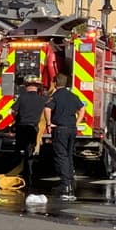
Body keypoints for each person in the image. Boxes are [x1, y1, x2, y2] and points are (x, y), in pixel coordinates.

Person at [45, 73, 82, 201]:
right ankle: (70, 183)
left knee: (61, 156)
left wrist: (49, 123)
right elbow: (82, 109)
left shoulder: (54, 96)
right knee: (69, 154)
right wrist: (77, 122)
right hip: (72, 129)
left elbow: (47, 109)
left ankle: (65, 185)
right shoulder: (73, 96)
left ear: (55, 83)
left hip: (60, 129)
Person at [11, 77, 47, 187]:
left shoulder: (22, 98)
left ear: (27, 87)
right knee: (30, 151)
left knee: (19, 150)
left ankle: (19, 172)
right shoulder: (42, 100)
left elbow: (13, 111)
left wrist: (17, 118)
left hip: (21, 128)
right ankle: (29, 173)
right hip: (34, 129)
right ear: (38, 88)